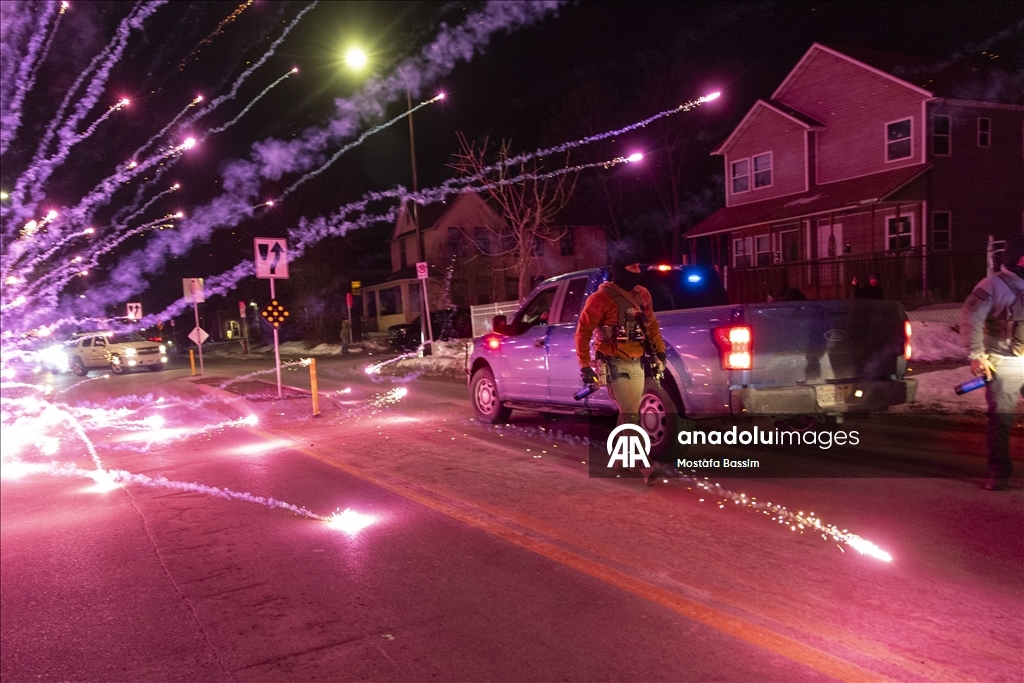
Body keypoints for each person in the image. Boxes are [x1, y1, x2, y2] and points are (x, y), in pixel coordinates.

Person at [575, 250, 667, 479]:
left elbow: (651, 325)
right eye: (631, 268)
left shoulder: (642, 295)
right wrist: (585, 365)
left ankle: (619, 459)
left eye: (638, 267)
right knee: (631, 414)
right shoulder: (600, 299)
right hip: (613, 362)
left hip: (637, 360)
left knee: (629, 412)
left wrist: (660, 351)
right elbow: (583, 332)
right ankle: (645, 464)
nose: (637, 272)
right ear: (619, 271)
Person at [960, 234, 1024, 491]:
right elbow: (970, 319)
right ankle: (1000, 472)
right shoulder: (992, 285)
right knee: (1001, 420)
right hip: (1003, 362)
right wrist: (976, 356)